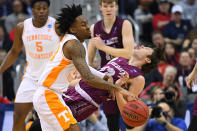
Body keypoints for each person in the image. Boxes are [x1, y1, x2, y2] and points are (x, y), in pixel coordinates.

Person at [33, 4, 132, 131]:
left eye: (87, 23)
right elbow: (88, 78)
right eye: (83, 25)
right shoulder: (73, 45)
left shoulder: (80, 43)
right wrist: (119, 89)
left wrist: (104, 76)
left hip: (51, 95)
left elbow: (86, 69)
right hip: (48, 95)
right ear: (73, 29)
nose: (87, 27)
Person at [63, 45, 164, 131]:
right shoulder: (119, 58)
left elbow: (127, 110)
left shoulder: (138, 78)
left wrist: (117, 88)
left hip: (86, 101)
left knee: (57, 125)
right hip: (73, 90)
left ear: (147, 59)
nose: (141, 46)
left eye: (146, 48)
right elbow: (99, 76)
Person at [0, 0, 60, 130]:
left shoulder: (56, 25)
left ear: (48, 10)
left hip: (52, 79)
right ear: (32, 10)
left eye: (45, 8)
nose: (42, 11)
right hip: (31, 77)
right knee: (18, 115)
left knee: (50, 120)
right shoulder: (22, 27)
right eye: (38, 8)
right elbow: (14, 51)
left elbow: (69, 45)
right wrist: (0, 69)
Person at [88, 0, 134, 130]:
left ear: (116, 7)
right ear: (100, 8)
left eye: (111, 6)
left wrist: (103, 47)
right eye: (105, 6)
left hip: (126, 75)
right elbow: (89, 59)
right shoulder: (94, 28)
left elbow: (129, 53)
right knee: (112, 121)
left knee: (130, 119)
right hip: (107, 78)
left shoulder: (124, 24)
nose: (108, 9)